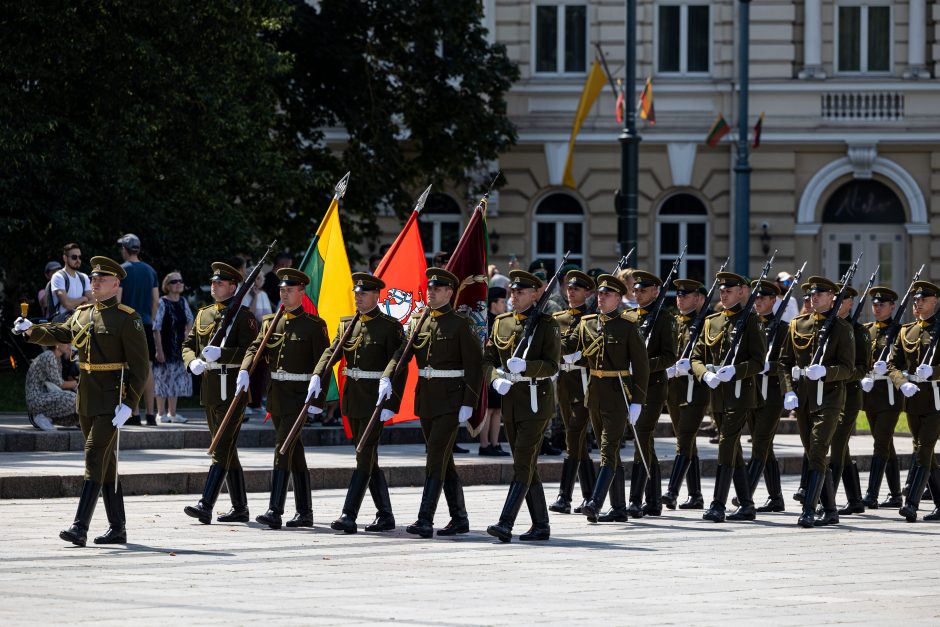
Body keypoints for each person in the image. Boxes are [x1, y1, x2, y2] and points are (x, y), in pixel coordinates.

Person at [15, 256, 150, 546]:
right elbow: (57, 332)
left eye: (102, 279)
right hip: (86, 399)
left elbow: (141, 367)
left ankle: (80, 527)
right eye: (93, 278)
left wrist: (129, 403)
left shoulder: (129, 318)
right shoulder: (83, 314)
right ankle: (118, 528)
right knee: (106, 463)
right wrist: (29, 329)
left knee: (92, 455)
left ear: (116, 284)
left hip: (111, 403)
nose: (95, 282)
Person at [382, 268, 483, 538]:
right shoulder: (419, 321)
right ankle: (459, 518)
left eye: (437, 289)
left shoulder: (461, 324)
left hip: (452, 400)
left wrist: (469, 402)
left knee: (435, 455)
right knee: (443, 458)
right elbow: (402, 354)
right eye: (429, 288)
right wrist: (387, 376)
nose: (431, 292)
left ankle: (425, 518)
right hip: (426, 398)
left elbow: (474, 365)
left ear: (450, 293)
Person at [239, 268, 330, 529]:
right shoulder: (271, 322)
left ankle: (274, 510)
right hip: (277, 395)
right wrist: (246, 368)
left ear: (302, 293)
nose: (284, 294)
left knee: (282, 447)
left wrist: (317, 400)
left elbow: (324, 364)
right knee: (294, 451)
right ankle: (305, 512)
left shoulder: (314, 326)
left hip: (299, 397)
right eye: (281, 290)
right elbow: (256, 347)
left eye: (289, 290)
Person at [315, 272, 405, 534]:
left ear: (377, 296)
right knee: (367, 457)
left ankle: (348, 514)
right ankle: (385, 515)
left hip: (376, 399)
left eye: (363, 294)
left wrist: (392, 400)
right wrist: (316, 375)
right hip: (353, 398)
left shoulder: (390, 326)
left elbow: (400, 362)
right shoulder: (347, 324)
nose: (358, 297)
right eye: (356, 293)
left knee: (363, 455)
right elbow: (332, 352)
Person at [561, 274, 648, 524]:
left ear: (618, 298)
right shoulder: (587, 322)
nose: (600, 297)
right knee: (606, 450)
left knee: (609, 450)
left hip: (619, 394)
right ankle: (619, 508)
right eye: (599, 293)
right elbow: (568, 346)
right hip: (595, 395)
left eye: (606, 294)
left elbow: (640, 367)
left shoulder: (628, 325)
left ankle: (595, 502)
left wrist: (638, 402)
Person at [483, 270, 560, 542]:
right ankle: (541, 525)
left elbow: (553, 365)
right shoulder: (501, 323)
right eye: (512, 292)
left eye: (521, 292)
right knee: (525, 463)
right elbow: (487, 360)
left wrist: (527, 367)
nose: (514, 296)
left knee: (523, 462)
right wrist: (494, 380)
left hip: (536, 402)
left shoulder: (547, 325)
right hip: (511, 401)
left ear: (535, 294)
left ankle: (506, 523)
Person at [182, 262, 259, 525]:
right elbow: (188, 344)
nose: (214, 286)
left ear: (233, 287)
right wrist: (191, 360)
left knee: (221, 446)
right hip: (210, 387)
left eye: (220, 283)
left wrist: (224, 354)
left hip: (233, 388)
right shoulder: (204, 313)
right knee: (227, 448)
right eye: (213, 282)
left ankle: (206, 504)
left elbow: (254, 351)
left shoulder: (244, 316)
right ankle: (240, 508)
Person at [779, 276, 855, 527]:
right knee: (813, 452)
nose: (814, 297)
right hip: (803, 398)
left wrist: (826, 372)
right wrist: (789, 390)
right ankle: (831, 510)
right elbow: (785, 362)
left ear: (832, 297)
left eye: (820, 294)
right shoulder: (798, 324)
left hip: (830, 398)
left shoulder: (842, 329)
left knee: (819, 448)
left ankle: (809, 510)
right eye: (812, 294)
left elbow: (847, 368)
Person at [691, 271, 766, 523]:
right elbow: (696, 357)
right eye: (722, 290)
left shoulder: (751, 321)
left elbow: (758, 361)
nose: (724, 293)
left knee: (726, 444)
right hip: (718, 396)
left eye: (729, 290)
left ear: (742, 292)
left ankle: (718, 504)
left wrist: (737, 370)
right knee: (732, 450)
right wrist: (704, 375)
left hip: (741, 394)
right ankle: (746, 504)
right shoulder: (712, 321)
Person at [885, 280, 940, 522]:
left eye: (923, 300)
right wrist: (901, 383)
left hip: (937, 400)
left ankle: (911, 504)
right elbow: (892, 364)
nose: (917, 304)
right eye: (916, 300)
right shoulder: (906, 330)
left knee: (924, 449)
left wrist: (935, 372)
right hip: (913, 399)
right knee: (921, 450)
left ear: (935, 301)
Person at [628, 270, 677, 517]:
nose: (637, 294)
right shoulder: (631, 316)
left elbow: (670, 356)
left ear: (656, 292)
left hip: (654, 387)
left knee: (642, 438)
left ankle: (636, 499)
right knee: (644, 442)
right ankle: (654, 500)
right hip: (632, 387)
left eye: (643, 290)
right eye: (635, 290)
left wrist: (642, 366)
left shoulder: (664, 318)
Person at [549, 270, 597, 515]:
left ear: (587, 293)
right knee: (574, 437)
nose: (571, 291)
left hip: (584, 382)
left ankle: (564, 495)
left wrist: (583, 357)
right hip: (564, 382)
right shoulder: (558, 318)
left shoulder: (593, 318)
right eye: (569, 287)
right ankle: (589, 497)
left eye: (576, 289)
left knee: (574, 436)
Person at [740, 279, 789, 512]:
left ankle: (745, 494)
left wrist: (771, 366)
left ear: (773, 300)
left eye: (763, 298)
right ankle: (776, 498)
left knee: (760, 441)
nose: (757, 301)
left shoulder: (783, 329)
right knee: (764, 444)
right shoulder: (747, 325)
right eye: (756, 297)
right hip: (751, 389)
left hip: (772, 392)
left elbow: (789, 363)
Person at [663, 279, 710, 510]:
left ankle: (671, 491)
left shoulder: (706, 324)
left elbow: (710, 356)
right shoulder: (674, 322)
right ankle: (696, 495)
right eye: (679, 295)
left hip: (696, 389)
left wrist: (690, 367)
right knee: (687, 441)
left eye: (686, 295)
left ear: (699, 298)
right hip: (674, 390)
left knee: (684, 439)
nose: (680, 298)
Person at [827, 285, 872, 516]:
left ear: (851, 303)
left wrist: (841, 373)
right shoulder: (829, 326)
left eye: (841, 298)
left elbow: (864, 366)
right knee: (841, 447)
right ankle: (855, 499)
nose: (836, 301)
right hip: (829, 395)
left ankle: (827, 501)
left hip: (850, 396)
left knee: (836, 444)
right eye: (834, 297)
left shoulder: (859, 331)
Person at [858, 286, 904, 508]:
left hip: (890, 395)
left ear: (892, 307)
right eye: (874, 304)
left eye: (882, 304)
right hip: (871, 395)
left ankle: (872, 494)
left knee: (881, 443)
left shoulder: (900, 331)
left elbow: (903, 363)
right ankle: (895, 494)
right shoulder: (867, 330)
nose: (877, 307)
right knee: (885, 443)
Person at [117, 233, 159, 426]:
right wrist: (150, 319)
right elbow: (156, 300)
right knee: (147, 368)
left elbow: (118, 300)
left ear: (125, 249)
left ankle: (133, 413)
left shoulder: (122, 271)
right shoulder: (151, 271)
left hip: (127, 324)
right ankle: (151, 414)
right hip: (146, 323)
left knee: (128, 368)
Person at [152, 272, 193, 424]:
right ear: (167, 286)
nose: (178, 283)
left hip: (179, 347)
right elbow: (156, 328)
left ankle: (173, 414)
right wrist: (159, 350)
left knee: (176, 380)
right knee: (162, 379)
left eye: (180, 281)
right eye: (174, 281)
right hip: (165, 345)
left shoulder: (183, 301)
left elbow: (190, 319)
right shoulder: (162, 302)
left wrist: (187, 335)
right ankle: (161, 414)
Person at [479, 286, 510, 456]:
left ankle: (495, 443)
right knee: (488, 409)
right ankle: (484, 445)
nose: (505, 305)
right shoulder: (486, 322)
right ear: (493, 303)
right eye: (502, 302)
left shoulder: (504, 321)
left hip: (501, 371)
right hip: (489, 369)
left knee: (498, 410)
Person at [25, 343, 78, 430]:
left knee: (79, 416)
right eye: (67, 343)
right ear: (57, 344)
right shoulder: (49, 356)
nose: (69, 346)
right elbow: (59, 383)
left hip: (48, 397)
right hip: (37, 400)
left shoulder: (57, 359)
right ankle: (40, 416)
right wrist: (77, 382)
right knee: (76, 400)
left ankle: (47, 418)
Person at [243, 272, 273, 418]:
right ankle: (246, 402)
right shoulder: (244, 295)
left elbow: (268, 316)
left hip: (262, 336)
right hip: (248, 338)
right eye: (254, 279)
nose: (256, 282)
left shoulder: (264, 295)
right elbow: (250, 314)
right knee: (247, 369)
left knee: (261, 371)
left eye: (259, 279)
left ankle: (256, 402)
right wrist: (254, 296)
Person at [49, 243, 91, 321]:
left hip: (80, 321)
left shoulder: (84, 277)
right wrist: (83, 298)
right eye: (74, 257)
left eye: (79, 257)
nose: (78, 260)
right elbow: (67, 304)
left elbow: (93, 301)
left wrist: (76, 305)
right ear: (65, 258)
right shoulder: (58, 276)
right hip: (62, 324)